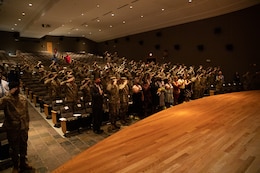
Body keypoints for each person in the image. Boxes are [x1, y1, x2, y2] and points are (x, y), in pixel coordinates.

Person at [0, 81, 33, 173]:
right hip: (13, 128)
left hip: (23, 127)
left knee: (23, 146)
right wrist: (7, 95)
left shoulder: (22, 98)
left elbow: (26, 113)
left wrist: (27, 125)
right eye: (15, 87)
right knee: (14, 148)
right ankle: (15, 166)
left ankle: (23, 163)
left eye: (18, 87)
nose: (17, 89)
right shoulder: (6, 100)